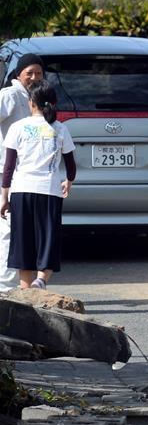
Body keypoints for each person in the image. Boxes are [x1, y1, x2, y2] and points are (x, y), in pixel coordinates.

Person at [0, 80, 75, 290]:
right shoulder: (60, 128)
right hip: (49, 191)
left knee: (23, 241)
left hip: (21, 191)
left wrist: (4, 197)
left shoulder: (18, 127)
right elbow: (70, 165)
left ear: (31, 102)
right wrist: (68, 181)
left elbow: (8, 167)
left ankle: (25, 291)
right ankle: (41, 280)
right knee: (48, 238)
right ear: (53, 103)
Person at [0, 54, 45, 291]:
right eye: (30, 73)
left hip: (23, 175)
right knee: (9, 229)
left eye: (38, 73)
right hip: (4, 174)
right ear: (19, 74)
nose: (34, 77)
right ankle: (6, 289)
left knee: (16, 230)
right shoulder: (9, 95)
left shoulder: (33, 98)